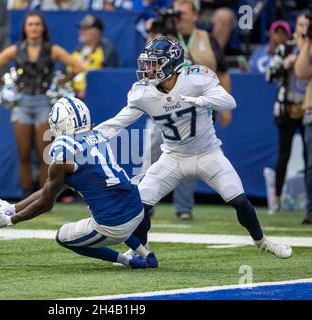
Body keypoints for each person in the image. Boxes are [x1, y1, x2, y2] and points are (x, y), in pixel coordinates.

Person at [96, 37, 292, 259]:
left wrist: (204, 101)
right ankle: (140, 251)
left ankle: (262, 241)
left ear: (171, 63)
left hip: (207, 153)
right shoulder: (143, 93)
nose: (148, 69)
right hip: (173, 157)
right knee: (141, 204)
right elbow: (118, 122)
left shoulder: (196, 79)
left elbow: (230, 102)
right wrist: (91, 137)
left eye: (155, 63)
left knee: (238, 199)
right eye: (147, 63)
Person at [0, 97, 158, 269]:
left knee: (62, 236)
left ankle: (127, 260)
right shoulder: (97, 134)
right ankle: (146, 254)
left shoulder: (63, 153)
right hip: (137, 209)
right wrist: (13, 208)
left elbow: (46, 202)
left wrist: (12, 219)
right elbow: (51, 188)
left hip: (113, 224)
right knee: (108, 205)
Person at [142, 0, 233, 220]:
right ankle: (146, 204)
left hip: (196, 108)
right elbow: (147, 59)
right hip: (164, 104)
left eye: (183, 10)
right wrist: (156, 30)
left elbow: (222, 72)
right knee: (152, 153)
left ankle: (184, 208)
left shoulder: (206, 38)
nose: (178, 14)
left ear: (195, 15)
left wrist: (225, 108)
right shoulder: (164, 36)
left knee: (193, 154)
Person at [0, 11, 84, 198]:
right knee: (23, 154)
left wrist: (61, 82)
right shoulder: (16, 49)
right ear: (25, 28)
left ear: (43, 28)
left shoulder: (52, 49)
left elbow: (78, 66)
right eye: (30, 24)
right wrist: (6, 85)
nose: (34, 28)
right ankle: (26, 196)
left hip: (44, 103)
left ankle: (43, 197)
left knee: (45, 153)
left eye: (37, 24)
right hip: (21, 103)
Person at [266, 14, 310, 212]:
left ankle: (309, 202)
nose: (303, 28)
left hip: (308, 106)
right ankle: (276, 199)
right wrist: (284, 65)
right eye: (300, 24)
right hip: (287, 107)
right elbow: (269, 75)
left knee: (309, 157)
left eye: (306, 25)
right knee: (284, 154)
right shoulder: (286, 48)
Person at [70, 15, 119, 99]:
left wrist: (90, 90)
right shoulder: (77, 50)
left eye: (86, 29)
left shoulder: (107, 50)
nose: (82, 31)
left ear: (98, 32)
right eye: (81, 28)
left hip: (96, 96)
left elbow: (110, 78)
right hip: (72, 95)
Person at [294, 15, 312, 224]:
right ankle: (311, 210)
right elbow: (301, 72)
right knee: (311, 166)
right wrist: (307, 40)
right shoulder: (305, 45)